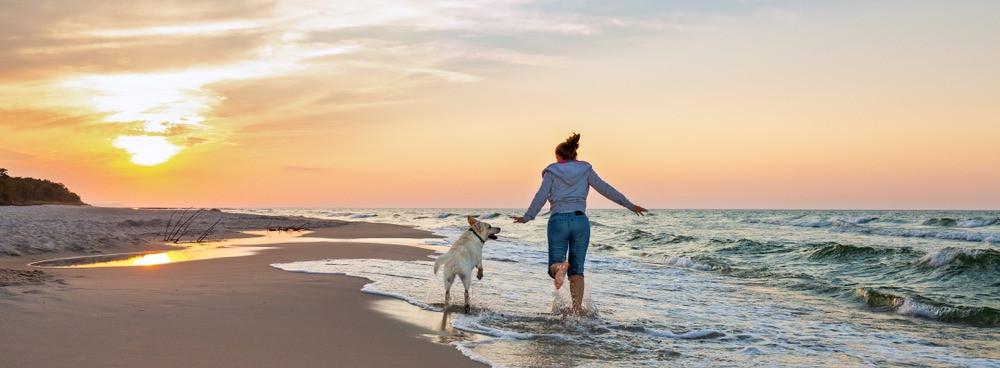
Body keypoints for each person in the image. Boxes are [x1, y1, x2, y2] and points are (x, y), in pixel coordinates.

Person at [512, 133, 647, 315]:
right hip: (580, 221)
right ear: (574, 154)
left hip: (558, 221)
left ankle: (559, 268)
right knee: (577, 270)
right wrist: (630, 205)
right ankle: (577, 313)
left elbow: (541, 196)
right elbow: (606, 189)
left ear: (558, 156)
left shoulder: (552, 171)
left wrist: (527, 216)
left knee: (555, 264)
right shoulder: (585, 169)